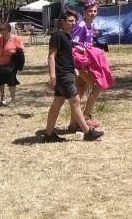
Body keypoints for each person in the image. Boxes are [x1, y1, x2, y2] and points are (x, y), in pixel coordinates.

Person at [43, 10, 104, 143]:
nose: (73, 23)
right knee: (75, 102)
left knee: (57, 104)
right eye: (70, 21)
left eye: (74, 21)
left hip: (68, 73)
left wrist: (76, 57)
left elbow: (67, 53)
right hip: (63, 75)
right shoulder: (57, 35)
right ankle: (88, 133)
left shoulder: (67, 36)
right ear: (62, 22)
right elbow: (51, 56)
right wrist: (52, 76)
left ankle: (48, 134)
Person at [68, 1, 114, 132]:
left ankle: (73, 124)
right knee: (98, 85)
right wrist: (81, 52)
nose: (93, 13)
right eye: (90, 11)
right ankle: (85, 116)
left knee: (79, 92)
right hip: (81, 63)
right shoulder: (81, 25)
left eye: (95, 11)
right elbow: (72, 42)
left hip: (87, 61)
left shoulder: (90, 25)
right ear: (84, 13)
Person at [0, 22, 25, 105]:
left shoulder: (16, 39)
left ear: (9, 30)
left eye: (5, 32)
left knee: (11, 82)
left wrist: (18, 64)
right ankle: (3, 96)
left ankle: (13, 99)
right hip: (0, 62)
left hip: (11, 64)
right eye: (1, 32)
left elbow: (21, 52)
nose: (3, 34)